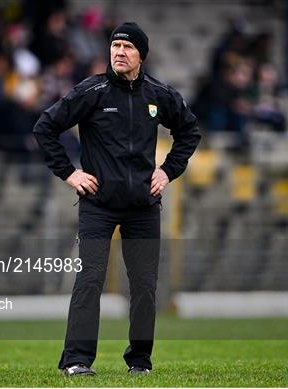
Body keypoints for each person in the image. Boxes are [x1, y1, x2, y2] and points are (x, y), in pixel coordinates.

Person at [33, 22, 201, 376]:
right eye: (115, 46)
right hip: (98, 204)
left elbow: (190, 130)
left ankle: (139, 362)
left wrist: (168, 171)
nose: (119, 52)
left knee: (144, 286)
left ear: (142, 55)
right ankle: (76, 360)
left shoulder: (158, 94)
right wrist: (70, 173)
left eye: (127, 47)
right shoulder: (91, 90)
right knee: (90, 278)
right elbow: (45, 127)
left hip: (143, 206)